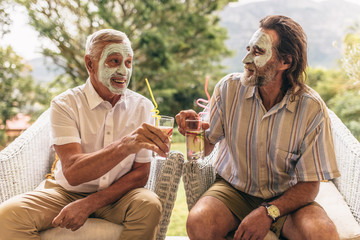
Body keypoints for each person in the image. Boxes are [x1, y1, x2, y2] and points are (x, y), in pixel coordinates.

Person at [176, 15, 340, 240]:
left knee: (322, 233)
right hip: (233, 191)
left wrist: (269, 212)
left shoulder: (311, 109)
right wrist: (192, 130)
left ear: (285, 62)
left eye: (258, 52)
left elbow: (309, 185)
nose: (245, 60)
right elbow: (202, 149)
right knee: (199, 221)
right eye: (248, 49)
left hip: (287, 198)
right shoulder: (227, 89)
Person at [0, 29, 171, 240]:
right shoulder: (65, 104)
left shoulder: (143, 106)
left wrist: (90, 204)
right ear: (90, 64)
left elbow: (141, 174)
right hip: (64, 192)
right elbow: (73, 172)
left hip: (119, 195)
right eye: (114, 61)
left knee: (149, 205)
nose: (123, 71)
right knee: (8, 215)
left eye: (128, 63)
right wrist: (126, 145)